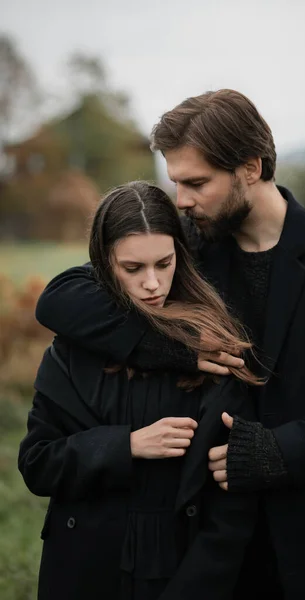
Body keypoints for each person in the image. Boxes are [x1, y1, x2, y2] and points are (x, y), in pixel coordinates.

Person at [34, 90, 305, 599]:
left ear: (250, 167)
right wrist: (169, 347)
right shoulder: (188, 249)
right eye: (176, 182)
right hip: (217, 555)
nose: (181, 199)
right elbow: (60, 298)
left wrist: (280, 452)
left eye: (195, 183)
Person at [18, 181, 262, 600]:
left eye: (164, 264)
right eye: (132, 269)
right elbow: (37, 463)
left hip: (179, 567)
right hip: (83, 567)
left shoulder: (211, 347)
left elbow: (233, 502)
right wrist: (125, 445)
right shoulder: (74, 349)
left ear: (179, 257)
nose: (152, 283)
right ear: (103, 263)